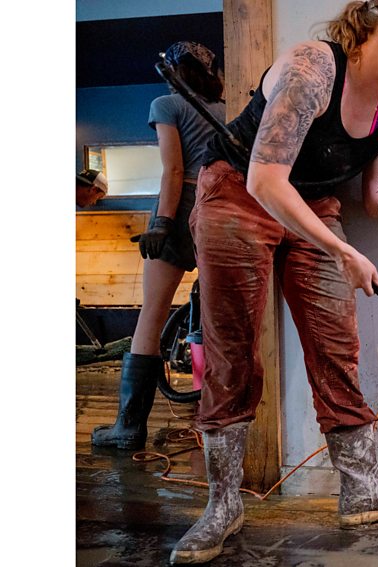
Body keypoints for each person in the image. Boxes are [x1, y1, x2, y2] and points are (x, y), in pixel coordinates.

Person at [170, 1, 378, 563]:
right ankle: (223, 504)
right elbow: (266, 180)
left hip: (314, 204)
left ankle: (362, 488)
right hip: (240, 193)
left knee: (337, 345)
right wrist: (342, 250)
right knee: (232, 350)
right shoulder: (312, 68)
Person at [91, 41, 226, 451]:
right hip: (219, 208)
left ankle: (128, 427)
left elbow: (173, 170)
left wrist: (164, 223)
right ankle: (216, 424)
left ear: (170, 71)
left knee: (152, 315)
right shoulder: (226, 108)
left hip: (180, 206)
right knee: (219, 319)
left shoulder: (166, 104)